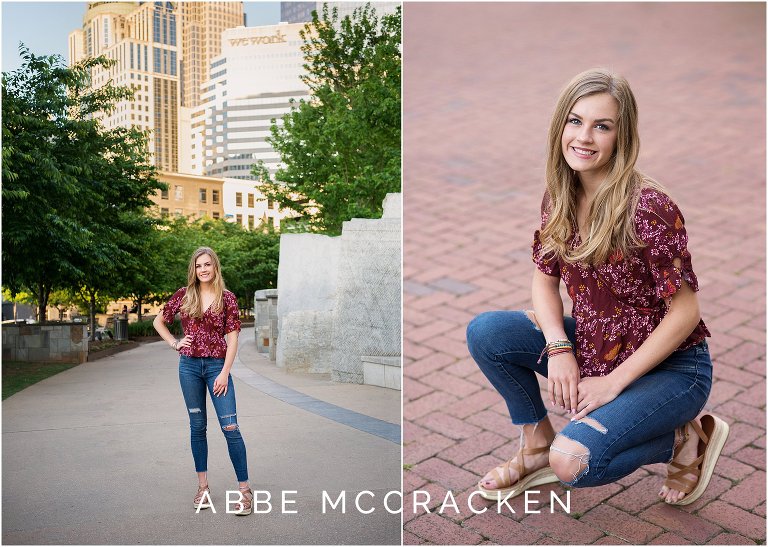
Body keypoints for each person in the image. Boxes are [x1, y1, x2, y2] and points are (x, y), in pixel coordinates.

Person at [466, 69, 728, 506]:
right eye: (575, 121)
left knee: (572, 462)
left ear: (621, 136)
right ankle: (534, 447)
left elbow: (686, 312)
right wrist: (558, 347)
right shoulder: (561, 194)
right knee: (487, 332)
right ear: (560, 127)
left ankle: (685, 440)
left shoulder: (649, 208)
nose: (584, 137)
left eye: (601, 126)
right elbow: (544, 279)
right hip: (595, 349)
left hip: (672, 371)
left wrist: (612, 383)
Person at [153, 246, 252, 515]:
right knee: (197, 427)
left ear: (215, 266)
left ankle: (245, 491)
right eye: (199, 266)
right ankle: (203, 488)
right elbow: (158, 321)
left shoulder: (227, 298)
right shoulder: (184, 296)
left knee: (230, 427)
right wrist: (174, 342)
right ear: (193, 270)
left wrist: (224, 373)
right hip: (189, 368)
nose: (203, 269)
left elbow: (233, 339)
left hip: (217, 367)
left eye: (207, 264)